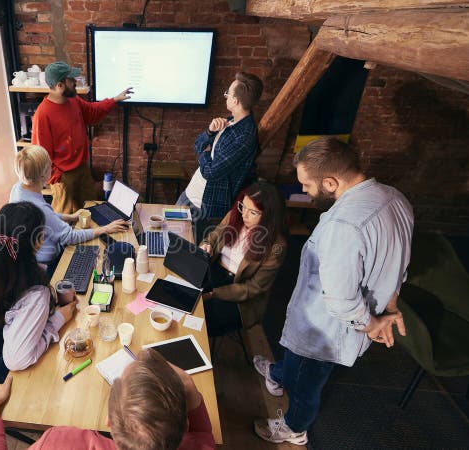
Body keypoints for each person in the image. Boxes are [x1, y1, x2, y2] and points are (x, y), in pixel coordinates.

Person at [252, 137, 413, 445]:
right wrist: (391, 305)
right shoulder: (395, 198)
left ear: (329, 182)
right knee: (296, 362)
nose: (303, 191)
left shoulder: (344, 225)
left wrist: (373, 324)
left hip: (326, 329)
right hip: (324, 321)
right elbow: (401, 262)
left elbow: (341, 300)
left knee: (306, 386)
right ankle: (276, 373)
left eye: (307, 186)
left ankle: (294, 428)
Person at [0, 349, 215, 450]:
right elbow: (205, 441)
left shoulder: (62, 442)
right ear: (185, 427)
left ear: (108, 421)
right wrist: (192, 394)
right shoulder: (194, 444)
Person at [0, 202, 76, 383]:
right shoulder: (36, 295)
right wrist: (58, 320)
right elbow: (16, 360)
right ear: (38, 242)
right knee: (54, 376)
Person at [9, 146, 128, 277]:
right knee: (98, 258)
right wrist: (105, 229)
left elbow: (48, 218)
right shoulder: (39, 208)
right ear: (43, 174)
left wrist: (71, 217)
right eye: (50, 165)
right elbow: (69, 237)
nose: (52, 167)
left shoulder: (19, 188)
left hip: (29, 258)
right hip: (48, 264)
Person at [32, 61, 133, 214]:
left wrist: (114, 100)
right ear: (60, 85)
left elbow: (91, 112)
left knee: (90, 210)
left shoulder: (73, 100)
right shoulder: (43, 115)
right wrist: (57, 178)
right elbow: (40, 155)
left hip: (82, 169)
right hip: (63, 177)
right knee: (66, 220)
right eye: (71, 80)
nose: (75, 82)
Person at [177, 72, 263, 240]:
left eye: (227, 94)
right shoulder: (230, 121)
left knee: (189, 254)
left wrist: (205, 152)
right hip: (190, 194)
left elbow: (210, 172)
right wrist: (209, 132)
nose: (226, 97)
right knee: (170, 240)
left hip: (205, 208)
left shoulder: (245, 136)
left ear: (236, 101)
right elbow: (197, 144)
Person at [198, 181, 287, 337]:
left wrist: (214, 294)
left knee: (202, 321)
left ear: (269, 216)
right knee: (183, 297)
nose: (243, 215)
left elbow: (253, 288)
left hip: (241, 294)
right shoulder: (235, 216)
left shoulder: (276, 246)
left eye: (253, 212)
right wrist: (206, 245)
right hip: (216, 270)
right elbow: (214, 235)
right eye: (243, 206)